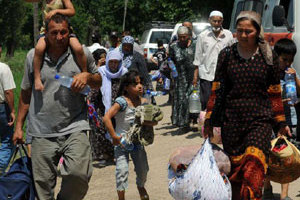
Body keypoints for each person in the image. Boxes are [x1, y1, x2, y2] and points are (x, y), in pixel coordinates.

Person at [13, 14, 102, 200]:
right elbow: (25, 94)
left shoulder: (81, 54)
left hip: (75, 126)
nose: (59, 37)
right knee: (43, 188)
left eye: (63, 32)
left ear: (69, 32)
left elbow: (98, 81)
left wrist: (87, 77)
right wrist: (19, 127)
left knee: (79, 174)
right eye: (54, 33)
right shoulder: (33, 56)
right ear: (46, 34)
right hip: (41, 131)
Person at [204, 11, 291, 199]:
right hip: (232, 123)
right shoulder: (226, 55)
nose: (243, 35)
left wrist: (281, 123)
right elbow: (217, 89)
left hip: (259, 122)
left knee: (253, 166)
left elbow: (275, 92)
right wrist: (209, 119)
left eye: (248, 31)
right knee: (236, 175)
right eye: (240, 31)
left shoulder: (269, 58)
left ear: (257, 32)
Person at [103, 70, 156, 200]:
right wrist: (114, 136)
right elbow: (106, 118)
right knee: (122, 172)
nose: (140, 86)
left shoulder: (144, 101)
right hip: (121, 143)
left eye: (141, 83)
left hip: (137, 143)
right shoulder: (122, 101)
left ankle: (140, 186)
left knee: (143, 170)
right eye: (135, 84)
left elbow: (151, 121)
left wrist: (152, 121)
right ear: (126, 87)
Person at [263, 38, 298, 200]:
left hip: (288, 121)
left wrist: (295, 79)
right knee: (268, 155)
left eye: (290, 61)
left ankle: (284, 195)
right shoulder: (268, 73)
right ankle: (267, 185)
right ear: (276, 56)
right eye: (284, 60)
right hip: (270, 121)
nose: (287, 63)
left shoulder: (291, 73)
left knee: (286, 156)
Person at [27, 0, 87, 92]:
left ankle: (84, 73)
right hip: (47, 31)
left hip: (64, 30)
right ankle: (37, 78)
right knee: (39, 48)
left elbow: (72, 11)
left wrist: (56, 11)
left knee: (78, 48)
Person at [88, 50, 127, 167]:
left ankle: (118, 154)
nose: (114, 65)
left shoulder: (124, 74)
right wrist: (91, 104)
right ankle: (105, 155)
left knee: (118, 130)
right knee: (101, 129)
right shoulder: (101, 73)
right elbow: (94, 90)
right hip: (103, 108)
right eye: (111, 62)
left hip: (119, 109)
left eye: (116, 62)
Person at [193, 10, 233, 110]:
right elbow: (197, 58)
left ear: (222, 21)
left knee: (221, 101)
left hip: (223, 74)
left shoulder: (228, 35)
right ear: (209, 21)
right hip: (207, 74)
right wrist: (195, 76)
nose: (216, 23)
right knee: (206, 101)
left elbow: (232, 54)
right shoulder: (203, 36)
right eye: (214, 21)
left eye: (218, 21)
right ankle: (205, 123)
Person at [169, 26, 197, 131]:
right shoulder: (174, 47)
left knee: (193, 98)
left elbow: (198, 61)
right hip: (180, 77)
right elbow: (170, 60)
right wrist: (172, 70)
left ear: (189, 36)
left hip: (193, 76)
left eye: (184, 37)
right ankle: (183, 123)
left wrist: (195, 76)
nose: (182, 39)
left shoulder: (195, 45)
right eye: (180, 37)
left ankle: (194, 120)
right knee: (181, 99)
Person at [0, 61, 16, 174]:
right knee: (7, 140)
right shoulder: (3, 68)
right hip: (2, 108)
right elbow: (8, 92)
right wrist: (12, 111)